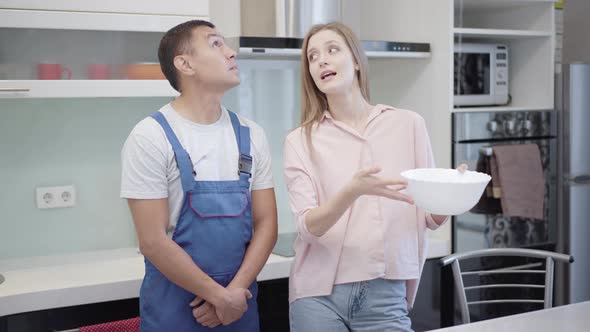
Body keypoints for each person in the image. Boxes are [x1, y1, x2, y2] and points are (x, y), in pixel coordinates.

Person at [283, 22, 466, 331]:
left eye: (332, 50)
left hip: (386, 294)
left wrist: (453, 193)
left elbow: (430, 215)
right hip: (317, 296)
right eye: (313, 57)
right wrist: (351, 191)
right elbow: (308, 228)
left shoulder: (408, 125)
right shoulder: (300, 140)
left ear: (356, 60)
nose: (321, 61)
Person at [120, 20, 278, 331]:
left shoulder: (251, 134)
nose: (231, 52)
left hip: (239, 304)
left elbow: (267, 224)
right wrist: (218, 297)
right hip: (176, 310)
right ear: (185, 64)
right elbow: (152, 240)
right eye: (216, 43)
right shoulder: (150, 136)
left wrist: (233, 296)